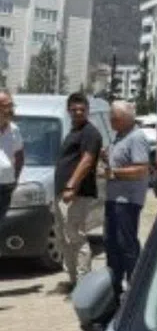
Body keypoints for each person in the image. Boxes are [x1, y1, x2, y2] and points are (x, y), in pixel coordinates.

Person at [53, 92, 102, 293]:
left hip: (76, 194)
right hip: (63, 193)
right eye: (74, 110)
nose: (78, 112)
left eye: (82, 109)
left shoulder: (90, 133)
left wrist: (72, 185)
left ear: (88, 110)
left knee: (76, 237)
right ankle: (73, 280)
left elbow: (87, 160)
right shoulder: (74, 130)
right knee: (63, 237)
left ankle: (83, 284)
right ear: (69, 111)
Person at [103, 101, 151, 297]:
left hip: (127, 200)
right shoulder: (120, 136)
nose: (110, 122)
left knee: (126, 243)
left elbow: (141, 169)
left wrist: (113, 173)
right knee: (111, 242)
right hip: (114, 198)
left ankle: (134, 287)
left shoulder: (137, 137)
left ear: (123, 119)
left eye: (113, 119)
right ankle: (113, 286)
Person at [0, 90, 23, 222]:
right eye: (6, 106)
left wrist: (15, 178)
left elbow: (19, 156)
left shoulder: (14, 129)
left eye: (11, 106)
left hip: (5, 187)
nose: (10, 110)